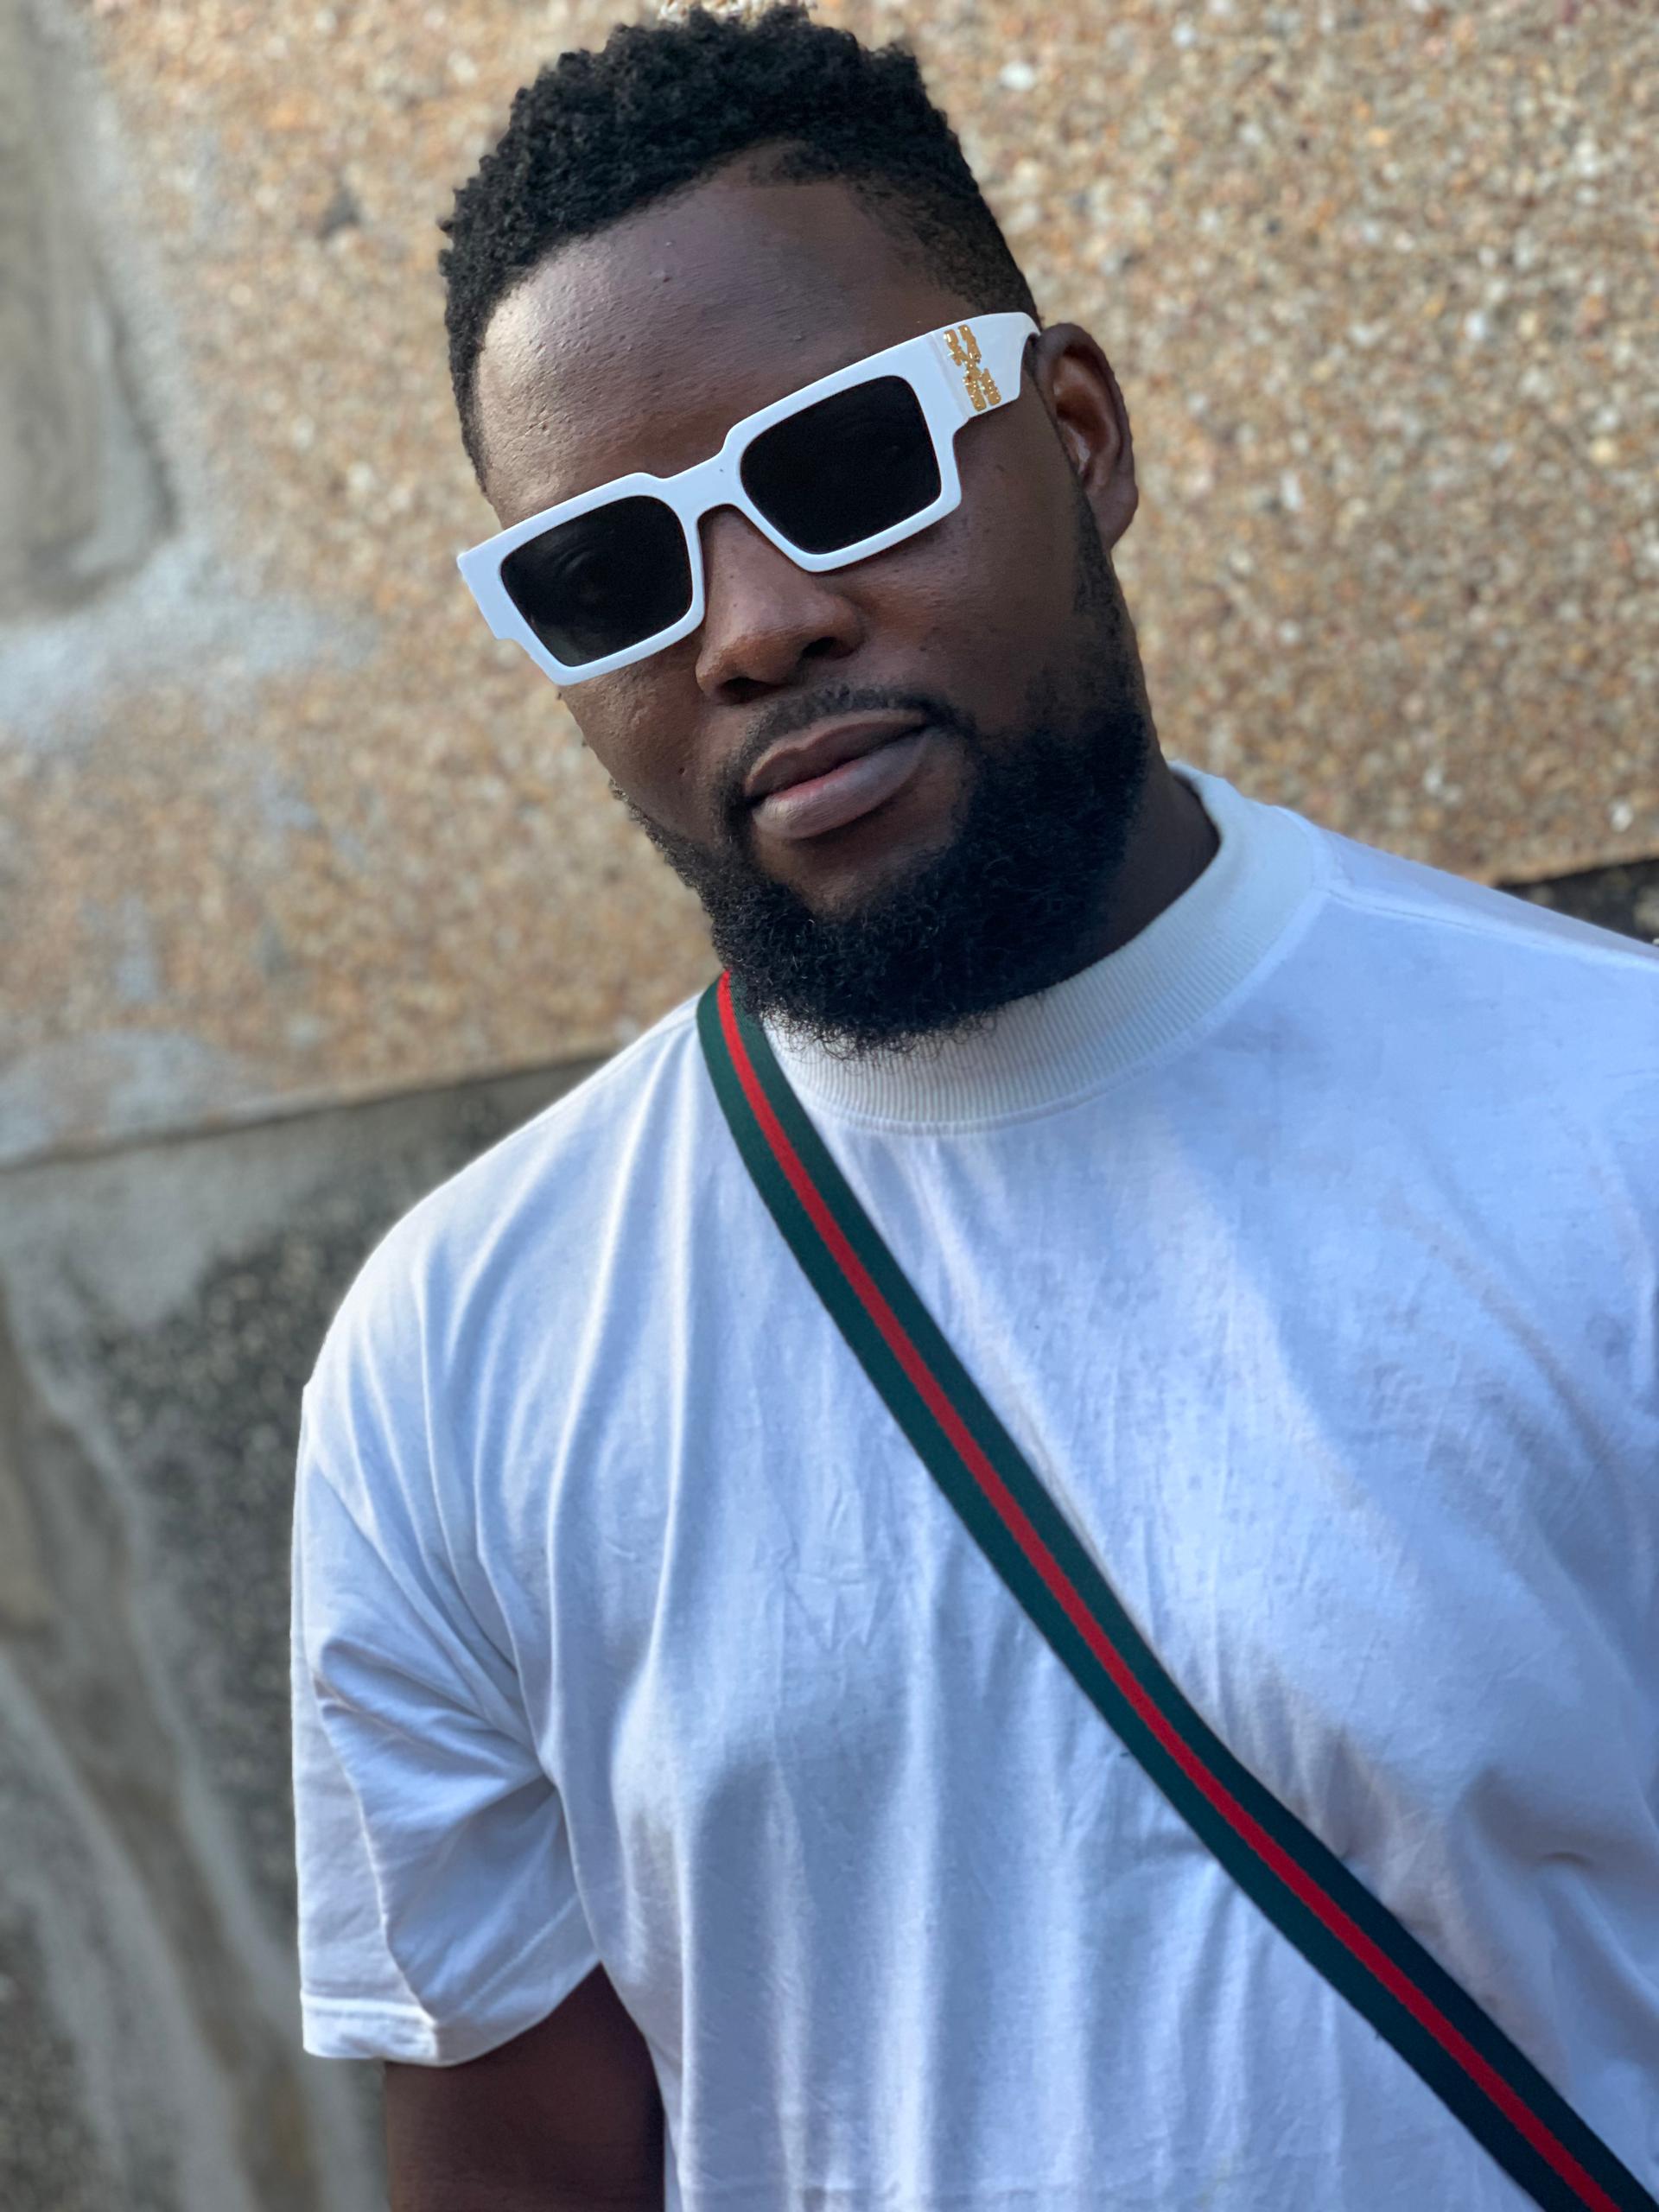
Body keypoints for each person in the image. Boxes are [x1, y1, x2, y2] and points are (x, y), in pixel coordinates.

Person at [289, 7, 1659, 2208]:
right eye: (611, 574)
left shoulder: (1613, 1116)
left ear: (1080, 436)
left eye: (846, 464)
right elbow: (526, 2163)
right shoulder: (454, 1358)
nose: (752, 628)